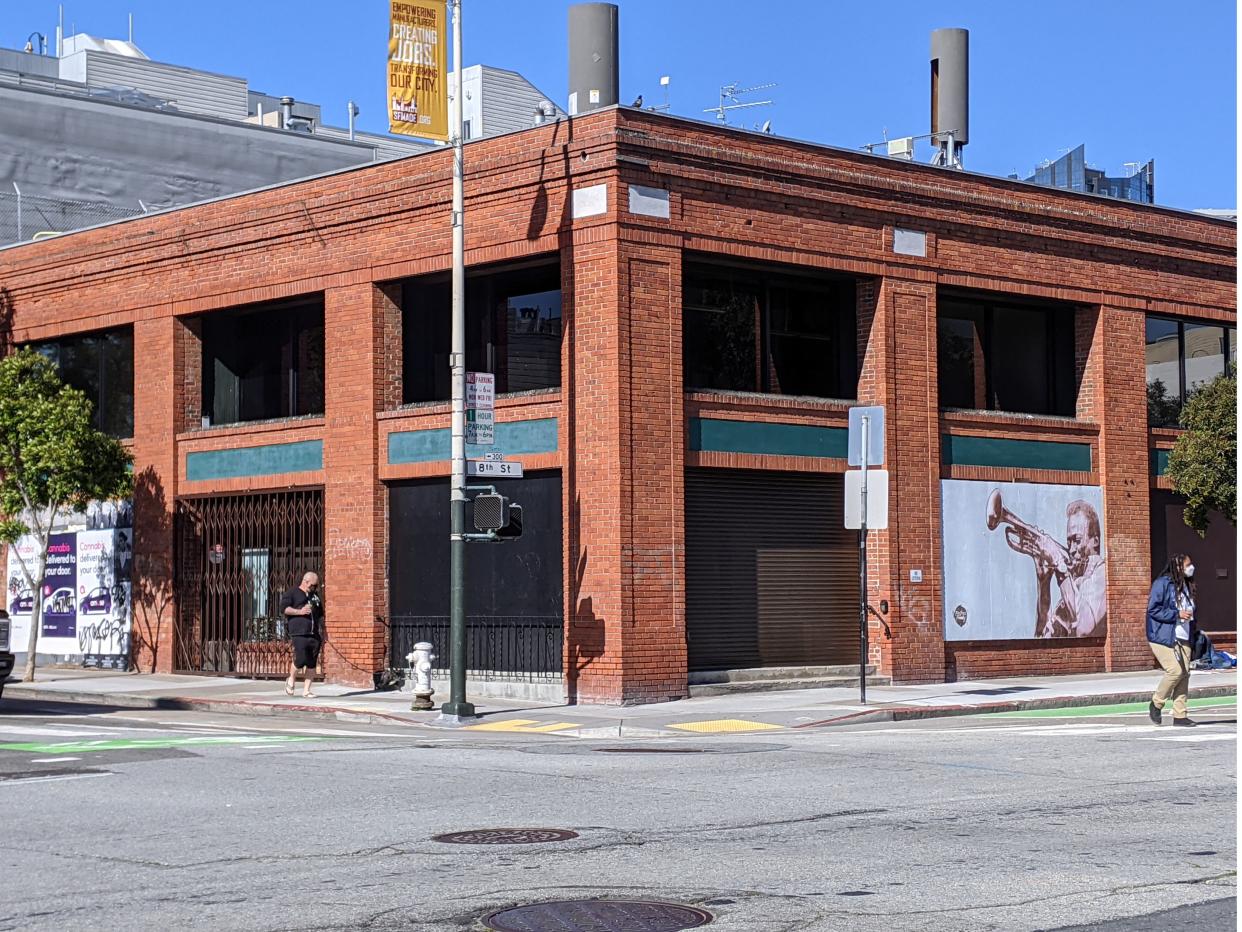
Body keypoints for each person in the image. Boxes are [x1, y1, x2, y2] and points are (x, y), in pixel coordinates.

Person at [1033, 501, 1108, 638]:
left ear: (1095, 541)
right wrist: (1043, 583)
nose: (1071, 549)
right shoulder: (1072, 586)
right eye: (1069, 542)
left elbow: (1084, 628)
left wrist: (1059, 565)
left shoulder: (1103, 573)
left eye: (1077, 540)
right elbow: (1042, 639)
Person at [1146, 553, 1197, 727]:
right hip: (1163, 635)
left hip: (1183, 635)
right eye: (1187, 565)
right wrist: (1177, 614)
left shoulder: (1186, 585)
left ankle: (1180, 715)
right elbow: (1153, 609)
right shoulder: (1162, 584)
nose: (1191, 568)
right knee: (1175, 671)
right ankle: (1156, 703)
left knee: (1184, 674)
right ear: (1177, 567)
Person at [280, 572, 323, 698]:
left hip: (314, 633)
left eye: (316, 586)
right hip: (299, 632)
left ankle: (306, 690)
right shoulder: (292, 593)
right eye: (313, 585)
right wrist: (300, 611)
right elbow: (284, 609)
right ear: (306, 581)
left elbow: (320, 613)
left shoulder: (314, 596)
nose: (315, 588)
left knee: (312, 662)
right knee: (301, 658)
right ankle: (291, 679)